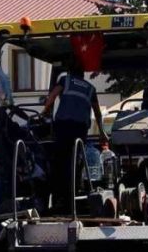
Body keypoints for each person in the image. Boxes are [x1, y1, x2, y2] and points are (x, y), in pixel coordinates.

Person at [42, 63, 106, 211]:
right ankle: (73, 196)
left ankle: (59, 198)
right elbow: (97, 112)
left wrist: (44, 111)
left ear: (70, 72)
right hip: (80, 129)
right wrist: (102, 132)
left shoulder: (65, 80)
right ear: (83, 75)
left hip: (63, 126)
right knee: (76, 161)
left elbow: (52, 96)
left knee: (59, 161)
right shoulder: (90, 88)